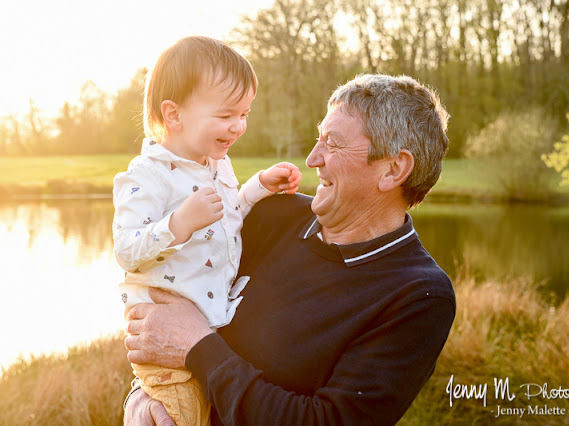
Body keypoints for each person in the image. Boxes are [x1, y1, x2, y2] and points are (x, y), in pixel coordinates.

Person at [124, 73, 455, 425]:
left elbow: (324, 421)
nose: (313, 158)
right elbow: (166, 308)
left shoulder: (419, 296)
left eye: (333, 143)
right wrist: (141, 400)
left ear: (393, 169)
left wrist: (197, 348)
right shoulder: (270, 214)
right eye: (318, 138)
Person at [112, 36, 301, 426]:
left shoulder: (218, 164)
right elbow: (126, 250)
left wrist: (258, 187)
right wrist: (178, 224)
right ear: (174, 115)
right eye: (226, 115)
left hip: (209, 332)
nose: (239, 126)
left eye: (245, 114)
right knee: (181, 418)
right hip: (164, 341)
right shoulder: (146, 176)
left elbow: (228, 216)